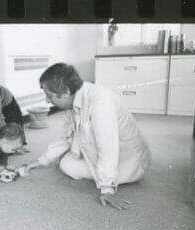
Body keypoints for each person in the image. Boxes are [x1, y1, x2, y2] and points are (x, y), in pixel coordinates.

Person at [18, 63, 151, 210]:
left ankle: (109, 177)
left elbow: (108, 147)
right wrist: (40, 161)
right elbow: (66, 138)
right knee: (66, 164)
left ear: (66, 92)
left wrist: (107, 189)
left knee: (71, 162)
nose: (47, 101)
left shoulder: (100, 103)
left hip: (128, 159)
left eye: (49, 96)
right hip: (102, 149)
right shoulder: (76, 97)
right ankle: (100, 171)